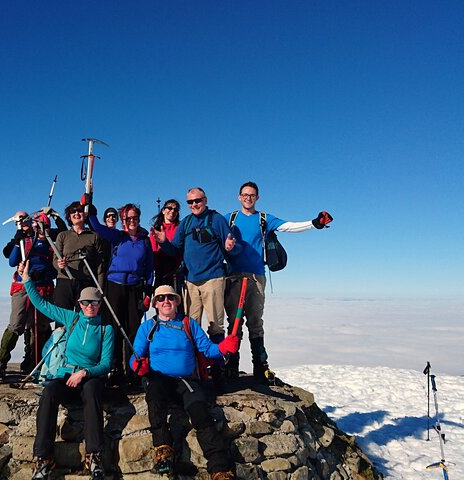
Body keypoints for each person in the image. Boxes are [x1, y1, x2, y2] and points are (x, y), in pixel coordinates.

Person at [225, 181, 332, 382]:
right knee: (234, 322)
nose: (248, 198)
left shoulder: (264, 219)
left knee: (255, 322)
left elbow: (288, 226)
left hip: (257, 276)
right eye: (245, 195)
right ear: (239, 197)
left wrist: (313, 223)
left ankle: (260, 365)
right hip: (233, 277)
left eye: (252, 195)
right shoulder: (229, 219)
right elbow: (211, 231)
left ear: (257, 198)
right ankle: (231, 365)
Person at [129, 285, 239, 480]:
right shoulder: (148, 327)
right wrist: (138, 365)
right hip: (158, 378)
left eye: (170, 298)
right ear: (155, 304)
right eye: (161, 298)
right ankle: (163, 450)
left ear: (177, 302)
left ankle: (219, 468)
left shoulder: (188, 324)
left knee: (201, 413)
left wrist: (223, 347)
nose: (166, 301)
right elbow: (136, 356)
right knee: (155, 398)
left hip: (186, 380)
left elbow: (208, 350)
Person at [21, 261, 114, 480]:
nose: (89, 306)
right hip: (66, 376)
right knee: (49, 393)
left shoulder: (105, 329)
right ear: (79, 304)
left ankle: (94, 456)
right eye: (85, 302)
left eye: (94, 302)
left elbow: (106, 363)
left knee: (91, 393)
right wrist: (27, 280)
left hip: (90, 377)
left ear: (100, 304)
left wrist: (84, 373)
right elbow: (43, 305)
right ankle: (43, 458)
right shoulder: (72, 319)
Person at [150, 187, 239, 341]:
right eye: (190, 202)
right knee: (191, 324)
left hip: (213, 278)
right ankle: (196, 363)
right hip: (190, 281)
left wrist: (230, 248)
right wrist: (164, 242)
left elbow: (230, 246)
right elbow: (175, 250)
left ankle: (217, 363)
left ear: (205, 200)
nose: (194, 204)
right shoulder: (186, 222)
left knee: (216, 325)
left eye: (197, 200)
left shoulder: (217, 219)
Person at [0, 209, 67, 379]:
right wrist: (18, 240)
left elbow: (55, 265)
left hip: (44, 288)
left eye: (45, 227)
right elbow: (12, 261)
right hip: (24, 287)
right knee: (17, 324)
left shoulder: (52, 245)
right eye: (39, 227)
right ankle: (1, 360)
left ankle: (35, 363)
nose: (42, 231)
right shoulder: (25, 242)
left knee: (40, 326)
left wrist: (55, 215)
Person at [88, 203, 154, 385]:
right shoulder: (117, 236)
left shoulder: (144, 240)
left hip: (135, 287)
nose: (131, 221)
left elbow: (149, 267)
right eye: (127, 218)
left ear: (139, 219)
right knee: (114, 328)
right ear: (123, 221)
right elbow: (96, 227)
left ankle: (134, 369)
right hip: (115, 286)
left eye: (134, 218)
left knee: (133, 328)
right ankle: (114, 368)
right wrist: (90, 208)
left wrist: (148, 290)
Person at [52, 201, 108, 311]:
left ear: (85, 214)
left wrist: (100, 289)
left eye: (80, 211)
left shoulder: (94, 237)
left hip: (86, 282)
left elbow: (100, 265)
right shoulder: (63, 236)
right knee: (63, 317)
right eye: (73, 211)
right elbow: (55, 259)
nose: (76, 213)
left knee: (83, 317)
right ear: (69, 216)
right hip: (65, 280)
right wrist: (60, 265)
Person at [150, 199, 183, 290]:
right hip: (161, 272)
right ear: (163, 210)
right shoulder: (156, 230)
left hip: (177, 271)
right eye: (169, 208)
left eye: (175, 210)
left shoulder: (180, 229)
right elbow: (154, 251)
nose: (172, 211)